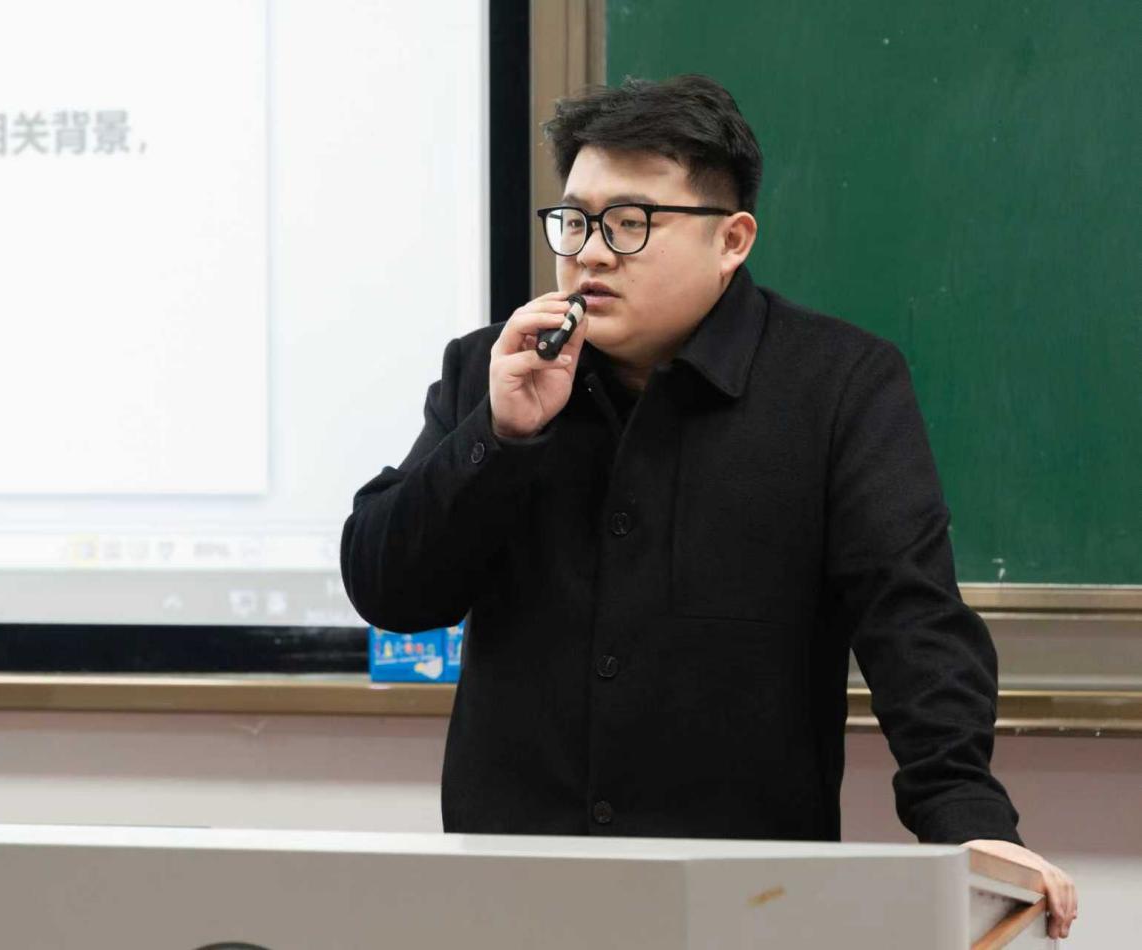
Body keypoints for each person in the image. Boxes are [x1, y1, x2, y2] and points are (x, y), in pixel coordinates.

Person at [340, 74, 1077, 939]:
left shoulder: (837, 385)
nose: (590, 254)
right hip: (513, 890)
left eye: (629, 222)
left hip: (749, 899)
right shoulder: (491, 369)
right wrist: (498, 436)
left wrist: (969, 822)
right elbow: (390, 589)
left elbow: (910, 619)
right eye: (574, 220)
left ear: (731, 239)